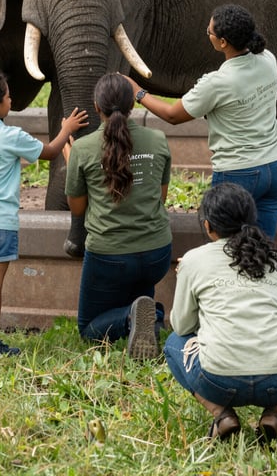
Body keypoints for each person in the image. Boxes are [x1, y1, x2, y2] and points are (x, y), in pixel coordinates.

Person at [0, 71, 87, 357]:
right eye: (8, 95)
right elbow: (49, 152)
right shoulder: (9, 135)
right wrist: (66, 128)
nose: (11, 99)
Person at [123, 3, 277, 238]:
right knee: (262, 246)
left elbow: (172, 115)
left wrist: (138, 91)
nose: (207, 34)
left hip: (239, 172)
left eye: (209, 32)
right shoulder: (268, 59)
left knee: (227, 247)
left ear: (223, 43)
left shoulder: (217, 83)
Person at [164, 182, 277, 442]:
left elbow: (181, 327)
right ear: (252, 219)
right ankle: (274, 415)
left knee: (173, 343)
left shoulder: (193, 259)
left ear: (208, 225)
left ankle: (222, 416)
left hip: (217, 381)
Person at [64, 72, 173, 360]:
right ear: (132, 106)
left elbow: (77, 209)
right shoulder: (158, 140)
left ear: (96, 107)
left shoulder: (83, 149)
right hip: (156, 253)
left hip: (109, 257)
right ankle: (144, 314)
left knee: (88, 328)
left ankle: (134, 317)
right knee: (139, 291)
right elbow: (159, 199)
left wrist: (72, 162)